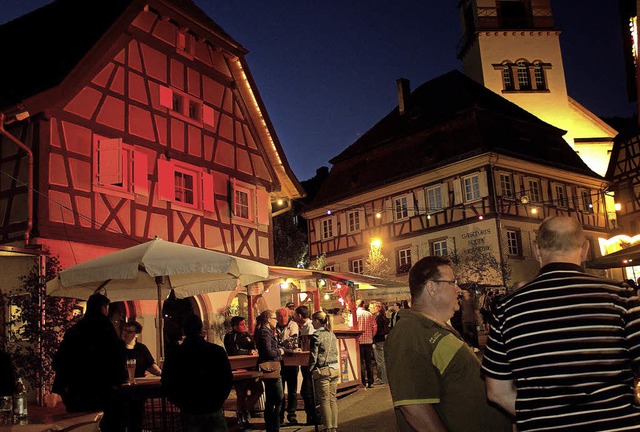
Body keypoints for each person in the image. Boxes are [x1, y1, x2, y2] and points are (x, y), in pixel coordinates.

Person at [482, 216, 640, 431]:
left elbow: (497, 391)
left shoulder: (508, 308)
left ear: (537, 249)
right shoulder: (621, 297)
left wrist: (539, 416)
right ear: (584, 249)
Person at [385, 256, 513, 432]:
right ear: (431, 288)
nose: (458, 289)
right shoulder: (408, 332)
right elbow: (414, 407)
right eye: (452, 282)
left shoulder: (434, 328)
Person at [52, 293, 128, 432]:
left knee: (81, 425)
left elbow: (60, 359)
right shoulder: (105, 327)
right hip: (102, 389)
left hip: (76, 390)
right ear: (103, 307)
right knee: (107, 424)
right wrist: (119, 380)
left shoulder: (75, 330)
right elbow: (116, 356)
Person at [162, 314, 232, 432]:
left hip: (189, 409)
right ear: (201, 329)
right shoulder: (216, 351)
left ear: (183, 330)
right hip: (213, 407)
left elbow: (167, 382)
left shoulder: (175, 354)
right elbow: (227, 379)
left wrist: (181, 403)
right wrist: (218, 401)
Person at [121, 320, 161, 432]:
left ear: (136, 334)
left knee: (136, 419)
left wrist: (160, 373)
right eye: (124, 330)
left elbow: (150, 364)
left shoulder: (141, 349)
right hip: (121, 389)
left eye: (129, 331)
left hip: (137, 390)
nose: (124, 333)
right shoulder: (117, 348)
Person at [224, 316, 263, 430]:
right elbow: (233, 351)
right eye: (242, 325)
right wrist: (248, 352)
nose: (244, 326)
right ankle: (243, 417)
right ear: (235, 326)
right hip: (239, 369)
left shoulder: (246, 335)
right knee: (241, 394)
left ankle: (243, 411)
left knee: (258, 389)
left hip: (251, 368)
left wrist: (254, 350)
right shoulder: (230, 336)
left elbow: (253, 346)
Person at [309, 310, 339, 432]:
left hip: (323, 369)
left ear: (317, 320)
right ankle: (334, 427)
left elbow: (313, 355)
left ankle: (328, 427)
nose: (312, 323)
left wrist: (310, 368)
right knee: (332, 399)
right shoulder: (332, 334)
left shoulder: (316, 335)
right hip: (335, 368)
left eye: (313, 320)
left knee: (324, 400)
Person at [294, 305, 320, 426]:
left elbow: (310, 346)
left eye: (295, 315)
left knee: (308, 390)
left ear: (299, 315)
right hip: (306, 363)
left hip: (309, 363)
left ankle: (314, 417)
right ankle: (312, 416)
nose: (294, 317)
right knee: (307, 390)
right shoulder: (304, 326)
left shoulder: (309, 326)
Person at [275, 307, 300, 426]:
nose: (282, 318)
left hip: (291, 361)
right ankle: (279, 417)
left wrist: (281, 348)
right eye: (280, 316)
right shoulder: (273, 327)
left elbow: (292, 342)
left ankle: (292, 415)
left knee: (292, 391)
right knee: (279, 391)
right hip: (279, 362)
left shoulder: (293, 325)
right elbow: (273, 344)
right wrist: (282, 347)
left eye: (284, 315)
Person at [355, 299, 376, 388]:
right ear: (363, 305)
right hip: (368, 341)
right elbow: (374, 327)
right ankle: (371, 382)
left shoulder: (354, 315)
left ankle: (363, 382)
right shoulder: (369, 314)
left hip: (358, 341)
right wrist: (371, 336)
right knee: (368, 362)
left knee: (360, 363)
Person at [372, 302, 389, 384]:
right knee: (382, 359)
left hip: (378, 340)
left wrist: (373, 338)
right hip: (382, 340)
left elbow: (377, 330)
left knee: (379, 360)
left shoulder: (378, 318)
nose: (373, 308)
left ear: (378, 308)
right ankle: (385, 378)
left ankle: (382, 379)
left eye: (375, 307)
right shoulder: (383, 317)